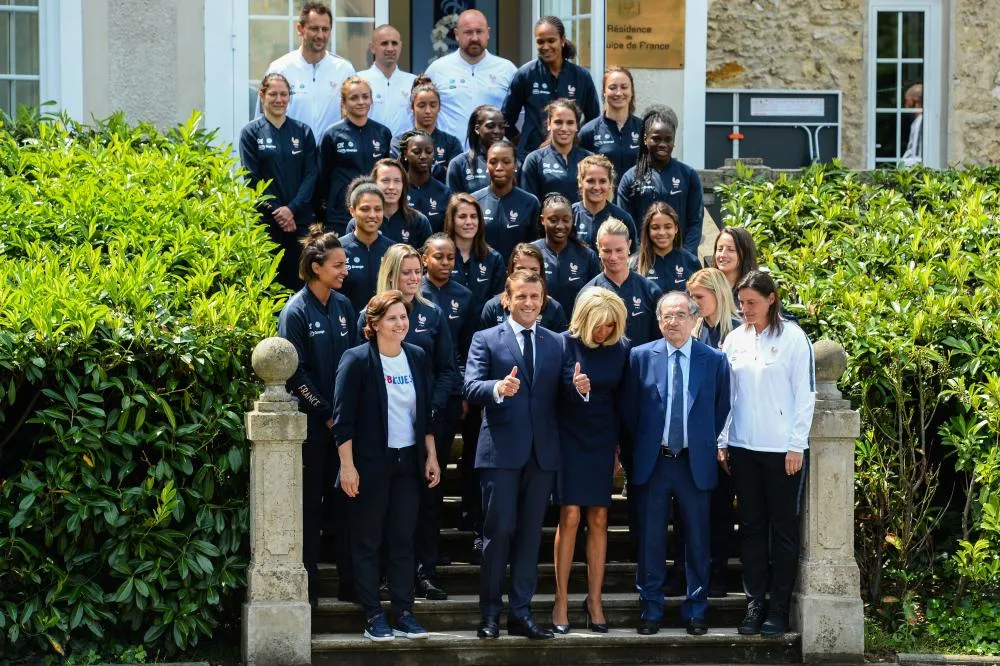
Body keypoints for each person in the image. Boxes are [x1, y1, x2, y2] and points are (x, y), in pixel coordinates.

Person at [464, 269, 575, 641]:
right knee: (499, 533)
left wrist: (579, 388)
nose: (529, 303)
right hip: (500, 454)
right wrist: (498, 387)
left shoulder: (557, 342)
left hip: (541, 455)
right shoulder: (485, 339)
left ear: (543, 301)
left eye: (535, 297)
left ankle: (521, 614)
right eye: (522, 296)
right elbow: (470, 385)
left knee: (530, 536)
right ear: (506, 300)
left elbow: (563, 391)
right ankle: (490, 615)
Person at [333, 290, 441, 642]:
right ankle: (373, 614)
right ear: (374, 323)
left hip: (407, 463)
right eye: (392, 318)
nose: (400, 324)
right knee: (367, 541)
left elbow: (423, 413)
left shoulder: (417, 356)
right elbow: (343, 420)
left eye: (404, 317)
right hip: (369, 464)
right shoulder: (357, 360)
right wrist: (347, 468)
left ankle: (403, 612)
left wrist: (432, 455)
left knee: (402, 539)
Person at [621, 291, 731, 636]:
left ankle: (696, 610)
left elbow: (721, 407)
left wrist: (700, 442)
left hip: (693, 463)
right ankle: (650, 610)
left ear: (694, 319)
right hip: (653, 463)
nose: (673, 322)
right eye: (667, 316)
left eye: (680, 315)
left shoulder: (713, 359)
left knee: (698, 541)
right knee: (651, 540)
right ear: (658, 320)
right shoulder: (639, 357)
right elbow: (628, 412)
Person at [719, 270, 815, 637]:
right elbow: (728, 396)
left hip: (781, 453)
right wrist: (723, 441)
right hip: (743, 449)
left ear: (771, 299)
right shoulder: (734, 339)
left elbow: (804, 395)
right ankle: (754, 602)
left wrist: (796, 444)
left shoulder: (794, 338)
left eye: (752, 303)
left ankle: (779, 607)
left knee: (783, 530)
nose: (745, 309)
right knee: (752, 528)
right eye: (741, 303)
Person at [278, 226, 358, 608]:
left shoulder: (344, 306)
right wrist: (327, 415)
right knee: (311, 507)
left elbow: (355, 362)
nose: (346, 270)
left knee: (348, 503)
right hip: (314, 429)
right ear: (316, 267)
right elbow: (296, 373)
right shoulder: (294, 311)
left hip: (344, 427)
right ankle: (307, 587)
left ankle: (349, 581)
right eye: (339, 265)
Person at [551, 287, 629, 634]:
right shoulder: (562, 344)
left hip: (602, 439)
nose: (604, 333)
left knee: (599, 517)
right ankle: (562, 599)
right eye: (599, 326)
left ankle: (594, 600)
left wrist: (618, 449)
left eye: (611, 326)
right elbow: (548, 395)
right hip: (568, 438)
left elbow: (623, 402)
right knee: (569, 515)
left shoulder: (621, 348)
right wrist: (574, 386)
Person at [415, 233, 476, 598]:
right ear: (425, 259)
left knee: (435, 485)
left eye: (451, 258)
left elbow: (467, 348)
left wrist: (463, 389)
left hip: (449, 396)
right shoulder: (413, 293)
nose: (445, 263)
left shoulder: (464, 296)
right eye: (438, 257)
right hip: (411, 399)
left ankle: (430, 559)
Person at [240, 72, 319, 290]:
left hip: (299, 223)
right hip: (267, 224)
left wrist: (291, 210)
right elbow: (251, 178)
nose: (279, 99)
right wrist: (278, 212)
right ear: (262, 95)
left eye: (284, 94)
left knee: (301, 283)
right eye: (273, 94)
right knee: (268, 285)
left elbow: (311, 175)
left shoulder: (303, 132)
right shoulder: (250, 133)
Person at [502, 16, 599, 156]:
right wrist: (523, 141)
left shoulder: (581, 77)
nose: (546, 46)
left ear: (563, 39)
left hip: (571, 158)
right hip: (531, 154)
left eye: (551, 40)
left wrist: (576, 141)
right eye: (540, 42)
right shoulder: (525, 75)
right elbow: (506, 119)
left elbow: (593, 121)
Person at [617, 105, 704, 256]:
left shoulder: (688, 175)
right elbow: (625, 224)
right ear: (645, 139)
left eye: (668, 139)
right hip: (643, 261)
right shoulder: (630, 178)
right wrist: (640, 255)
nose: (662, 144)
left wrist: (684, 255)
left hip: (681, 261)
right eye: (656, 139)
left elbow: (695, 222)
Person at [261, 2, 355, 139]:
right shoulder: (280, 68)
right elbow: (262, 118)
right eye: (314, 29)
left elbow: (357, 115)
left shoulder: (344, 70)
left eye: (325, 29)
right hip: (291, 153)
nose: (320, 35)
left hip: (331, 155)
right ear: (300, 29)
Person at [423, 9, 517, 141]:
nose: (474, 38)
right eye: (468, 32)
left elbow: (520, 118)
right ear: (456, 34)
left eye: (479, 31)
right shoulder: (437, 69)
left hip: (496, 157)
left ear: (488, 33)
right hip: (449, 157)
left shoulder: (507, 69)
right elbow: (422, 115)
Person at [317, 76, 393, 234]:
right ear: (343, 103)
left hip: (373, 213)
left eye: (365, 97)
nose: (361, 102)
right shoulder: (332, 135)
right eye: (354, 98)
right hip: (340, 215)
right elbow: (322, 177)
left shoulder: (383, 133)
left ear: (372, 101)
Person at [583, 218, 662, 347]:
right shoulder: (588, 294)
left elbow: (659, 342)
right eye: (607, 251)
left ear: (629, 245)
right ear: (598, 248)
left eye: (619, 250)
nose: (613, 257)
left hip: (640, 366)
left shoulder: (650, 291)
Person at [531, 193, 600, 315]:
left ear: (572, 220)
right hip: (539, 328)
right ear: (542, 220)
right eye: (553, 220)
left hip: (575, 330)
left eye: (566, 220)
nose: (560, 226)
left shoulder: (587, 256)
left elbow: (595, 299)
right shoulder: (532, 252)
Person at [446, 193, 507, 327]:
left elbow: (498, 303)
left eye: (473, 217)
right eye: (462, 217)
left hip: (483, 333)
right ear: (451, 220)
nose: (469, 222)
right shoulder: (441, 256)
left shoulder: (494, 259)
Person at [473, 139, 539, 263]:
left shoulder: (530, 202)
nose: (499, 167)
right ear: (486, 165)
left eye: (506, 162)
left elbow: (534, 246)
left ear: (515, 165)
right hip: (482, 274)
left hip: (518, 276)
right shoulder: (474, 201)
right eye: (493, 162)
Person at [480, 243, 569, 333]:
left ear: (541, 272)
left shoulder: (554, 308)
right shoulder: (493, 307)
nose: (527, 274)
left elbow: (561, 344)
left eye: (533, 270)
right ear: (511, 270)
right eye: (521, 269)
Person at [390, 77, 464, 184]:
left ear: (439, 107)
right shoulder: (399, 141)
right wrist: (441, 169)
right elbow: (400, 171)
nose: (428, 111)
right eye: (421, 105)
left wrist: (416, 166)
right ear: (412, 107)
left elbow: (455, 175)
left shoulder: (451, 143)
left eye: (433, 105)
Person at [579, 66, 642, 188]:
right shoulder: (588, 132)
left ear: (631, 92)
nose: (619, 93)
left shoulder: (645, 129)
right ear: (604, 92)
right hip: (602, 203)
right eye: (612, 88)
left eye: (624, 87)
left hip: (637, 203)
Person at [347, 159, 433, 248]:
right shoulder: (358, 222)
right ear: (374, 183)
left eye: (397, 181)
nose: (391, 187)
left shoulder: (419, 221)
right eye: (385, 180)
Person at [520, 98, 593, 204]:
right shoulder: (534, 160)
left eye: (570, 123)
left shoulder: (589, 159)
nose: (564, 128)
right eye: (558, 122)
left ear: (577, 126)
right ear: (549, 124)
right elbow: (529, 205)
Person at [338, 180, 394, 314]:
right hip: (346, 328)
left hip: (384, 329)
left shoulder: (393, 250)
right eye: (365, 209)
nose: (372, 215)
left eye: (378, 209)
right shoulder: (337, 249)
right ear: (352, 210)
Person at [358, 25, 416, 137]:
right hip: (369, 148)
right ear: (372, 48)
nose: (390, 48)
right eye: (384, 43)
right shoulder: (360, 81)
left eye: (394, 43)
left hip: (404, 150)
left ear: (400, 46)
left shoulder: (413, 82)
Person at [631, 201, 701, 293]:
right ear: (648, 230)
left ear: (675, 229)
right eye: (655, 228)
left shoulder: (690, 262)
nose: (662, 232)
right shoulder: (634, 264)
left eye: (668, 227)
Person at [572, 154, 637, 252]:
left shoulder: (623, 219)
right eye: (591, 181)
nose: (597, 187)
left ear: (610, 183)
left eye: (602, 181)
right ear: (580, 182)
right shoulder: (569, 215)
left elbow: (632, 258)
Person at [447, 105, 509, 195]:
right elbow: (454, 205)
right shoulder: (459, 164)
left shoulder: (514, 163)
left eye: (501, 127)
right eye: (490, 126)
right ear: (477, 129)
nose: (497, 131)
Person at [398, 130, 452, 233]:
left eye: (429, 151)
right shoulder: (397, 189)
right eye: (417, 152)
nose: (423, 156)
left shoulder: (444, 192)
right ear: (405, 154)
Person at [712, 225, 758, 296]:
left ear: (745, 254)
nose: (723, 254)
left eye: (731, 250)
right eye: (720, 249)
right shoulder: (705, 285)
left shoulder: (758, 288)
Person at [902, 83, 923, 166]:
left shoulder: (921, 122)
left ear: (913, 100)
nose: (904, 105)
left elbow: (916, 155)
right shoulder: (918, 121)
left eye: (906, 100)